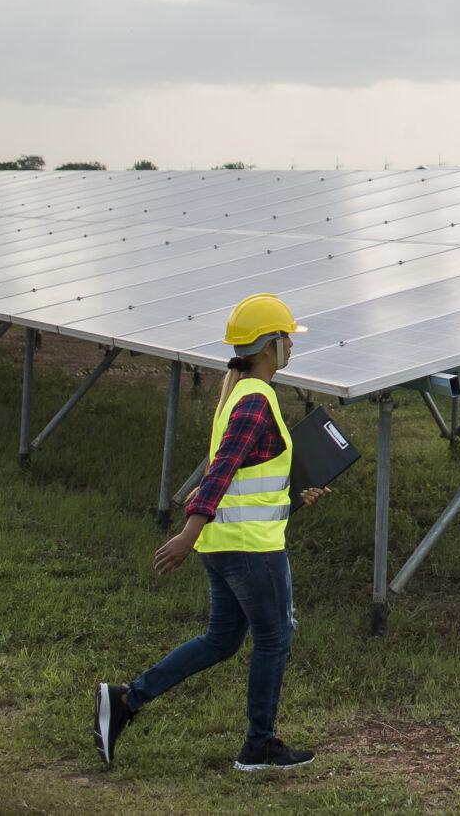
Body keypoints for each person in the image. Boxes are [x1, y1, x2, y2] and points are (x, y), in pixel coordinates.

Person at [96, 293, 331, 771]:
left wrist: (292, 496)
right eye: (287, 337)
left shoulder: (240, 393)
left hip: (227, 545)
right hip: (249, 551)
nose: (292, 345)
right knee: (274, 639)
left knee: (222, 640)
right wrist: (186, 533)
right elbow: (220, 472)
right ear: (270, 346)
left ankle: (126, 701)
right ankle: (259, 745)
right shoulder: (255, 400)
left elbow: (246, 478)